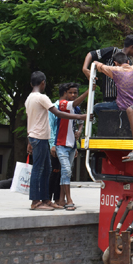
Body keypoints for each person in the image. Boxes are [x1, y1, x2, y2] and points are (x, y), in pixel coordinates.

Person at [25, 71, 86, 211]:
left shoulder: (29, 98)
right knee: (39, 170)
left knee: (47, 170)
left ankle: (46, 200)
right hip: (39, 137)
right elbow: (58, 113)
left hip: (37, 137)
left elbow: (30, 120)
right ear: (43, 83)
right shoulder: (42, 97)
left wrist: (29, 139)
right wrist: (80, 117)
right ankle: (35, 202)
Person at [48, 83, 91, 211]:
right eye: (71, 93)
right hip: (59, 144)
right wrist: (89, 91)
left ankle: (61, 200)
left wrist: (79, 131)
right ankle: (68, 199)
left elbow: (80, 122)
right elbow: (51, 126)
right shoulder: (61, 105)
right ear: (65, 93)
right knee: (65, 171)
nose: (73, 95)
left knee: (65, 172)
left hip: (71, 145)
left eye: (75, 93)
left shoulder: (75, 108)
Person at [82, 35, 133, 115]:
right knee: (99, 109)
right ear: (132, 47)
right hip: (109, 97)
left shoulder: (129, 62)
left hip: (123, 99)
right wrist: (84, 68)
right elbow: (91, 54)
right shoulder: (112, 51)